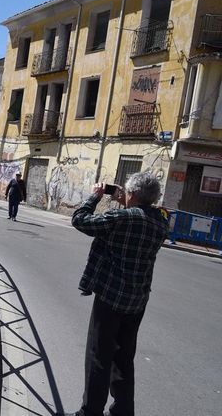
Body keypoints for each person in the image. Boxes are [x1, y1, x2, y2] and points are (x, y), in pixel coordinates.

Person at [65, 172, 168, 416]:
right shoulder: (160, 223)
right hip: (137, 299)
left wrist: (95, 196)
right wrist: (128, 201)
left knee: (99, 355)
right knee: (123, 358)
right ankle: (122, 411)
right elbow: (141, 217)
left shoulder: (120, 218)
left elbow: (80, 220)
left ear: (132, 194)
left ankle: (90, 411)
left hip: (111, 297)